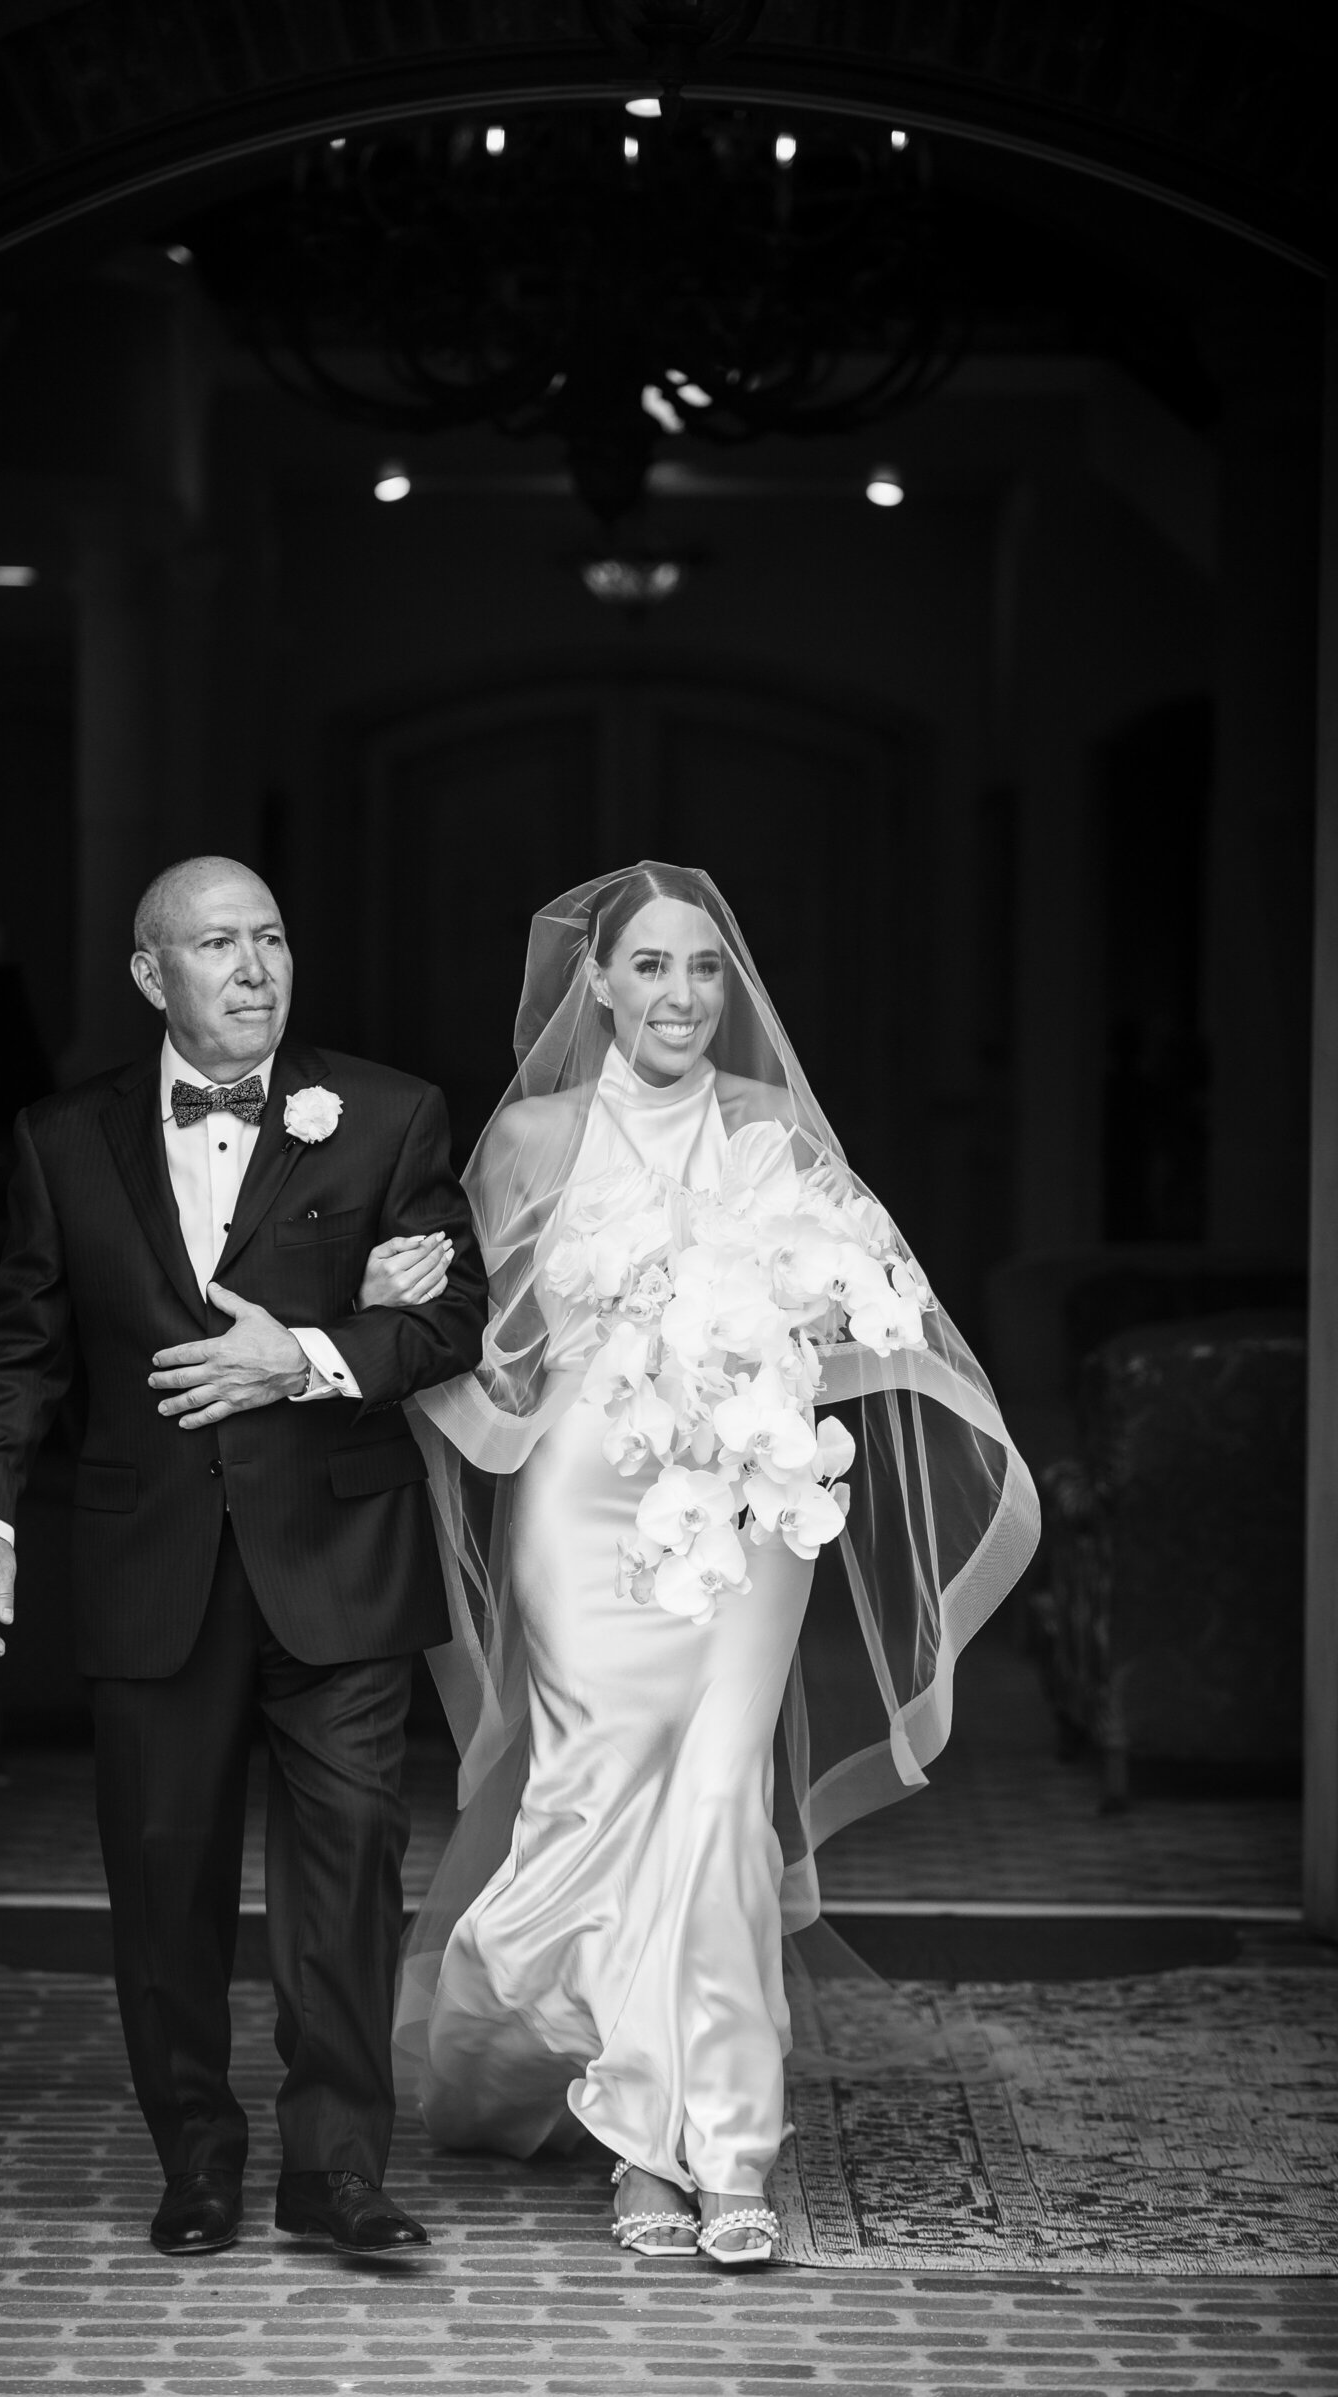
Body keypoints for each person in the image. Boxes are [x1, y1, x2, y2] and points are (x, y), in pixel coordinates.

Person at [393, 862, 1039, 2269]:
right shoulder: (532, 1142)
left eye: (703, 971)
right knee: (588, 1796)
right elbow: (469, 1331)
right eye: (653, 969)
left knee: (718, 1812)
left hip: (747, 1505)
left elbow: (874, 1308)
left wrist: (779, 1342)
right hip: (581, 1508)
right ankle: (566, 2061)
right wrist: (394, 1314)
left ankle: (699, 2147)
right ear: (601, 985)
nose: (680, 995)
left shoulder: (776, 1135)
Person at [0, 855, 487, 2258]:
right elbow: (22, 1346)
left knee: (351, 1865)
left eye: (272, 939)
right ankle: (194, 2155)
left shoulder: (388, 1112)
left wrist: (297, 1356)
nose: (254, 969)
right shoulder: (65, 1138)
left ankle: (337, 2170)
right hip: (151, 1562)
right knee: (163, 1874)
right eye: (217, 944)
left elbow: (452, 1324)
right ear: (150, 975)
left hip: (340, 1554)